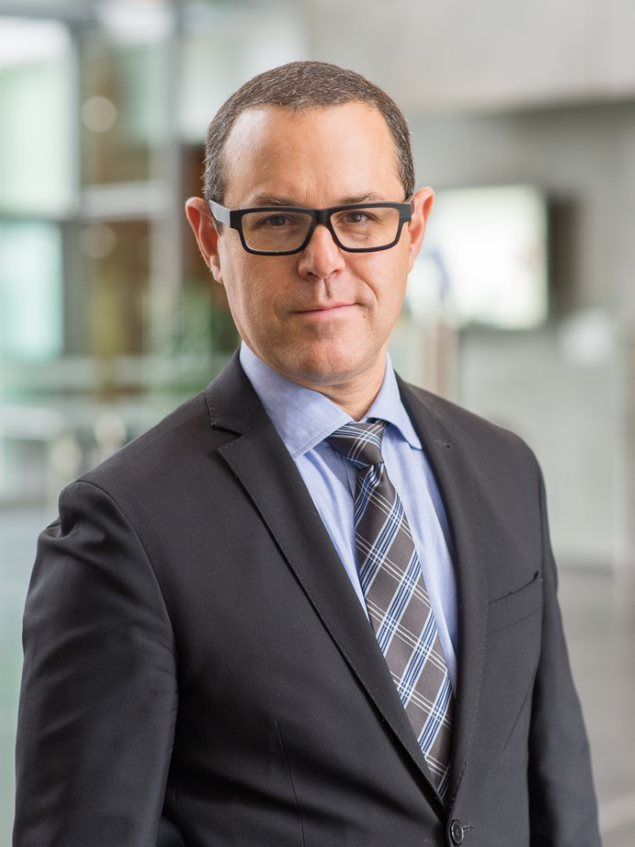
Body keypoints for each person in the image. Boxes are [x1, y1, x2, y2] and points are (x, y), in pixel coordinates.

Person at [13, 61, 601, 847]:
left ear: (414, 229)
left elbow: (555, 782)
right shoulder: (125, 526)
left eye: (359, 216)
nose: (323, 259)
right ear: (211, 239)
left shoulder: (503, 468)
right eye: (277, 220)